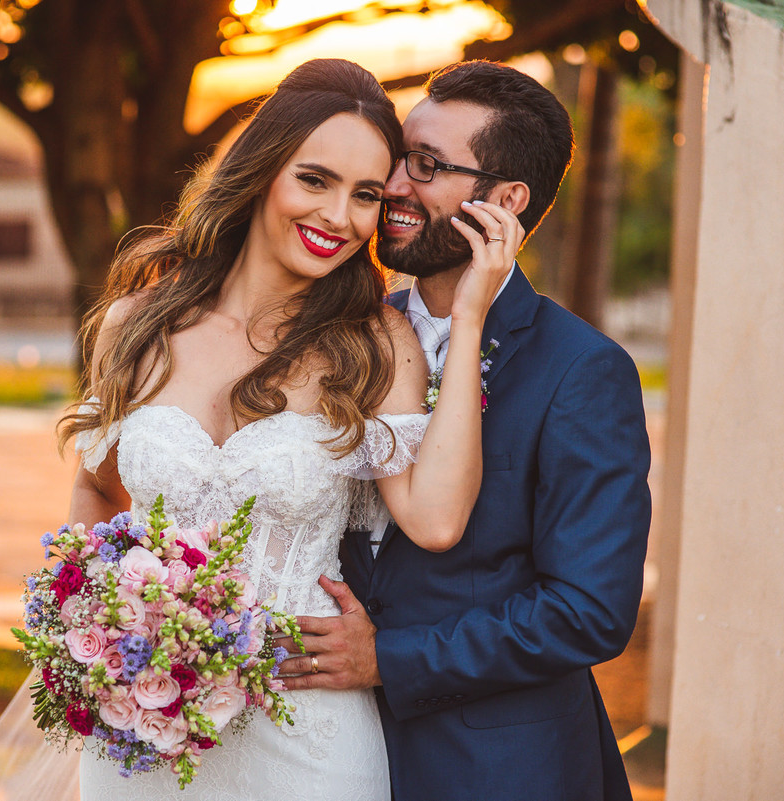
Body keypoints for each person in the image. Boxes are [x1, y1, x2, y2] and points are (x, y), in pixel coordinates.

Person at [0, 58, 520, 801]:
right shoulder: (136, 326)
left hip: (306, 731)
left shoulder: (375, 344)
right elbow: (96, 484)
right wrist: (97, 626)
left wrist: (468, 318)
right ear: (261, 171)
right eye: (316, 180)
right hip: (140, 730)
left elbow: (436, 519)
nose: (340, 217)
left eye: (365, 194)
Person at [279, 60, 653, 801]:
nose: (392, 186)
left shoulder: (582, 370)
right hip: (329, 748)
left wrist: (393, 657)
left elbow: (590, 610)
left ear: (504, 200)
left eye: (426, 166)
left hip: (501, 769)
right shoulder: (348, 332)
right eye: (399, 158)